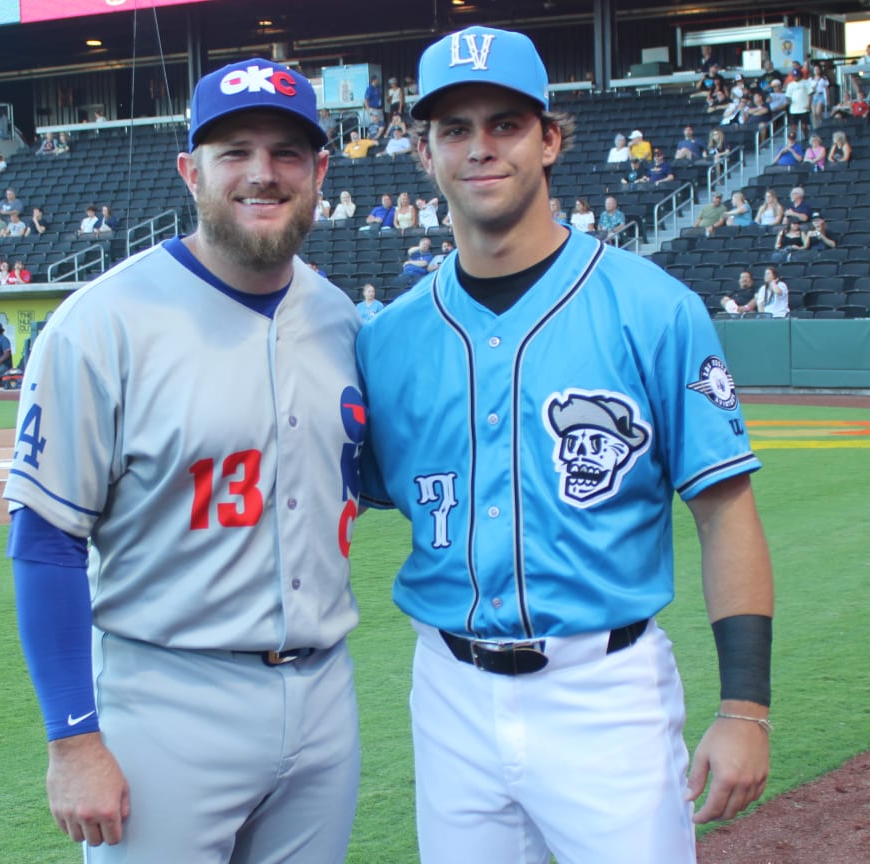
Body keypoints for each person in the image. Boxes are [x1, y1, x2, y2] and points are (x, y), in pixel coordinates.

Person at [356, 26, 773, 864]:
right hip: (448, 691)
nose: (481, 148)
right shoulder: (386, 339)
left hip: (604, 692)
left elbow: (726, 512)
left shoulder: (654, 308)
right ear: (423, 152)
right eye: (455, 129)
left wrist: (745, 711)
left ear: (550, 138)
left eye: (506, 124)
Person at [2, 57, 361, 864]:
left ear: (319, 172)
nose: (261, 174)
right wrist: (71, 738)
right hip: (167, 700)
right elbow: (46, 539)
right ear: (190, 170)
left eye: (286, 152)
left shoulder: (340, 319)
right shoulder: (100, 325)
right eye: (233, 151)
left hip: (326, 696)